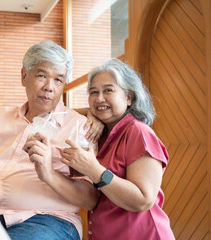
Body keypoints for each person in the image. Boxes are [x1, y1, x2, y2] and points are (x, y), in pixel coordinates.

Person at [0, 40, 101, 240]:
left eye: (59, 80)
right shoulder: (2, 117)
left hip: (50, 220)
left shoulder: (79, 127)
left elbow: (90, 199)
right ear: (24, 76)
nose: (50, 87)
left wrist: (49, 174)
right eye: (42, 76)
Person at [61, 58, 175, 240]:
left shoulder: (139, 133)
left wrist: (93, 169)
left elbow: (143, 200)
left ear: (129, 97)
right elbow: (60, 112)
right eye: (93, 92)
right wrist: (91, 113)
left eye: (108, 90)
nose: (99, 98)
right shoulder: (102, 133)